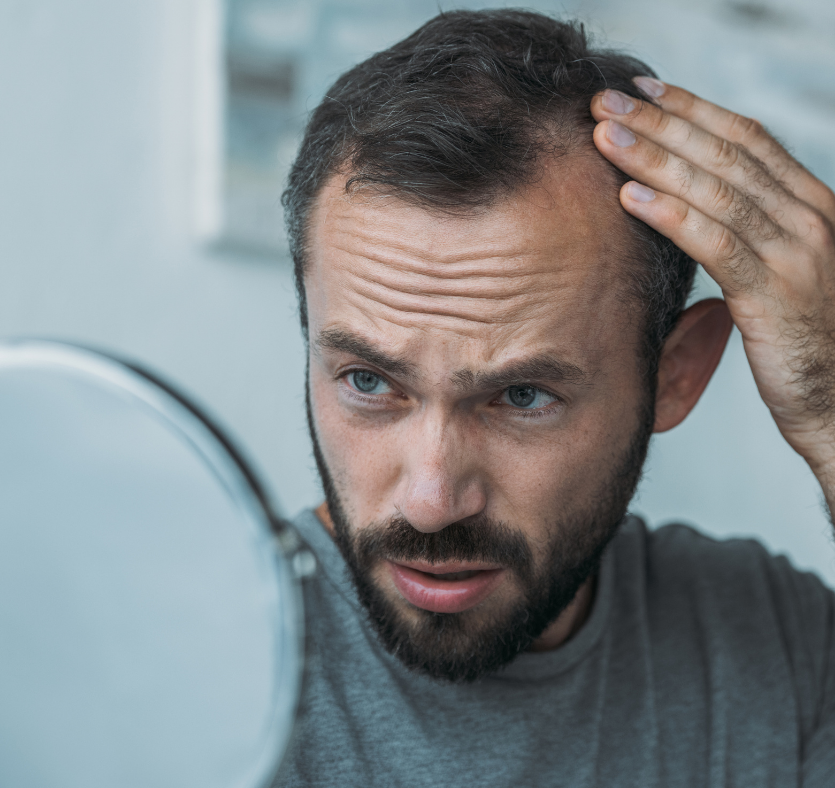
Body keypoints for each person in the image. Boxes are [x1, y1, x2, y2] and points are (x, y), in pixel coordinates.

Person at [272, 9, 835, 786]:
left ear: (677, 374)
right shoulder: (189, 668)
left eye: (522, 396)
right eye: (369, 382)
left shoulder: (772, 646)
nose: (433, 500)